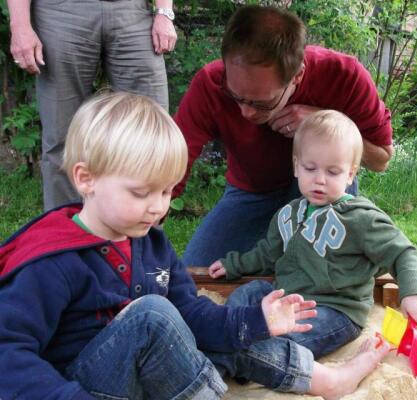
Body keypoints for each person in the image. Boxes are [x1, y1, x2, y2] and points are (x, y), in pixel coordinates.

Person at [0, 93, 391, 400]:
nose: (158, 206)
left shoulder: (149, 242)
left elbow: (190, 311)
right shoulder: (52, 259)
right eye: (141, 192)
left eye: (168, 190)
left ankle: (325, 380)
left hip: (150, 377)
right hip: (85, 388)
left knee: (226, 327)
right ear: (86, 179)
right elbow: (8, 353)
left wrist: (255, 322)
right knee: (153, 315)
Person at [174, 5, 395, 267]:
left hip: (325, 190)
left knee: (320, 277)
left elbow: (382, 159)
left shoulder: (344, 75)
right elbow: (173, 162)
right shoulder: (210, 84)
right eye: (236, 97)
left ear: (297, 75)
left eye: (262, 103)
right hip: (251, 192)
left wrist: (324, 122)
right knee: (197, 271)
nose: (245, 112)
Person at [208, 110, 417, 364]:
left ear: (350, 174)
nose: (320, 180)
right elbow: (267, 253)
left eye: (333, 172)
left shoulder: (360, 217)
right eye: (310, 168)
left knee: (283, 342)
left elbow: (402, 251)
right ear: (296, 167)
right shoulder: (289, 213)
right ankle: (226, 336)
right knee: (247, 294)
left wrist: (413, 292)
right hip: (287, 297)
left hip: (334, 310)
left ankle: (230, 359)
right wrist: (234, 264)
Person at [7, 0, 177, 211]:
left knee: (152, 132)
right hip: (61, 11)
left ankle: (145, 235)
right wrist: (20, 25)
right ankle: (65, 234)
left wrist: (164, 11)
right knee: (62, 138)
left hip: (132, 11)